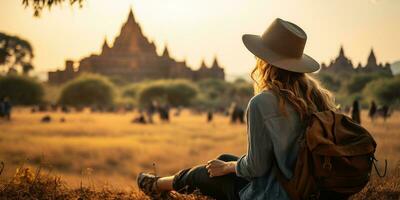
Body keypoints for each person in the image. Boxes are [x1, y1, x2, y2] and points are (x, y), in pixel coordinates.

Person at [137, 18, 336, 200]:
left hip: (279, 193)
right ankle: (159, 184)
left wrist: (229, 167)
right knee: (221, 160)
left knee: (205, 173)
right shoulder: (317, 98)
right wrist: (227, 165)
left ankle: (156, 185)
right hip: (310, 187)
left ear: (265, 62)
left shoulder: (263, 102)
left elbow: (257, 167)